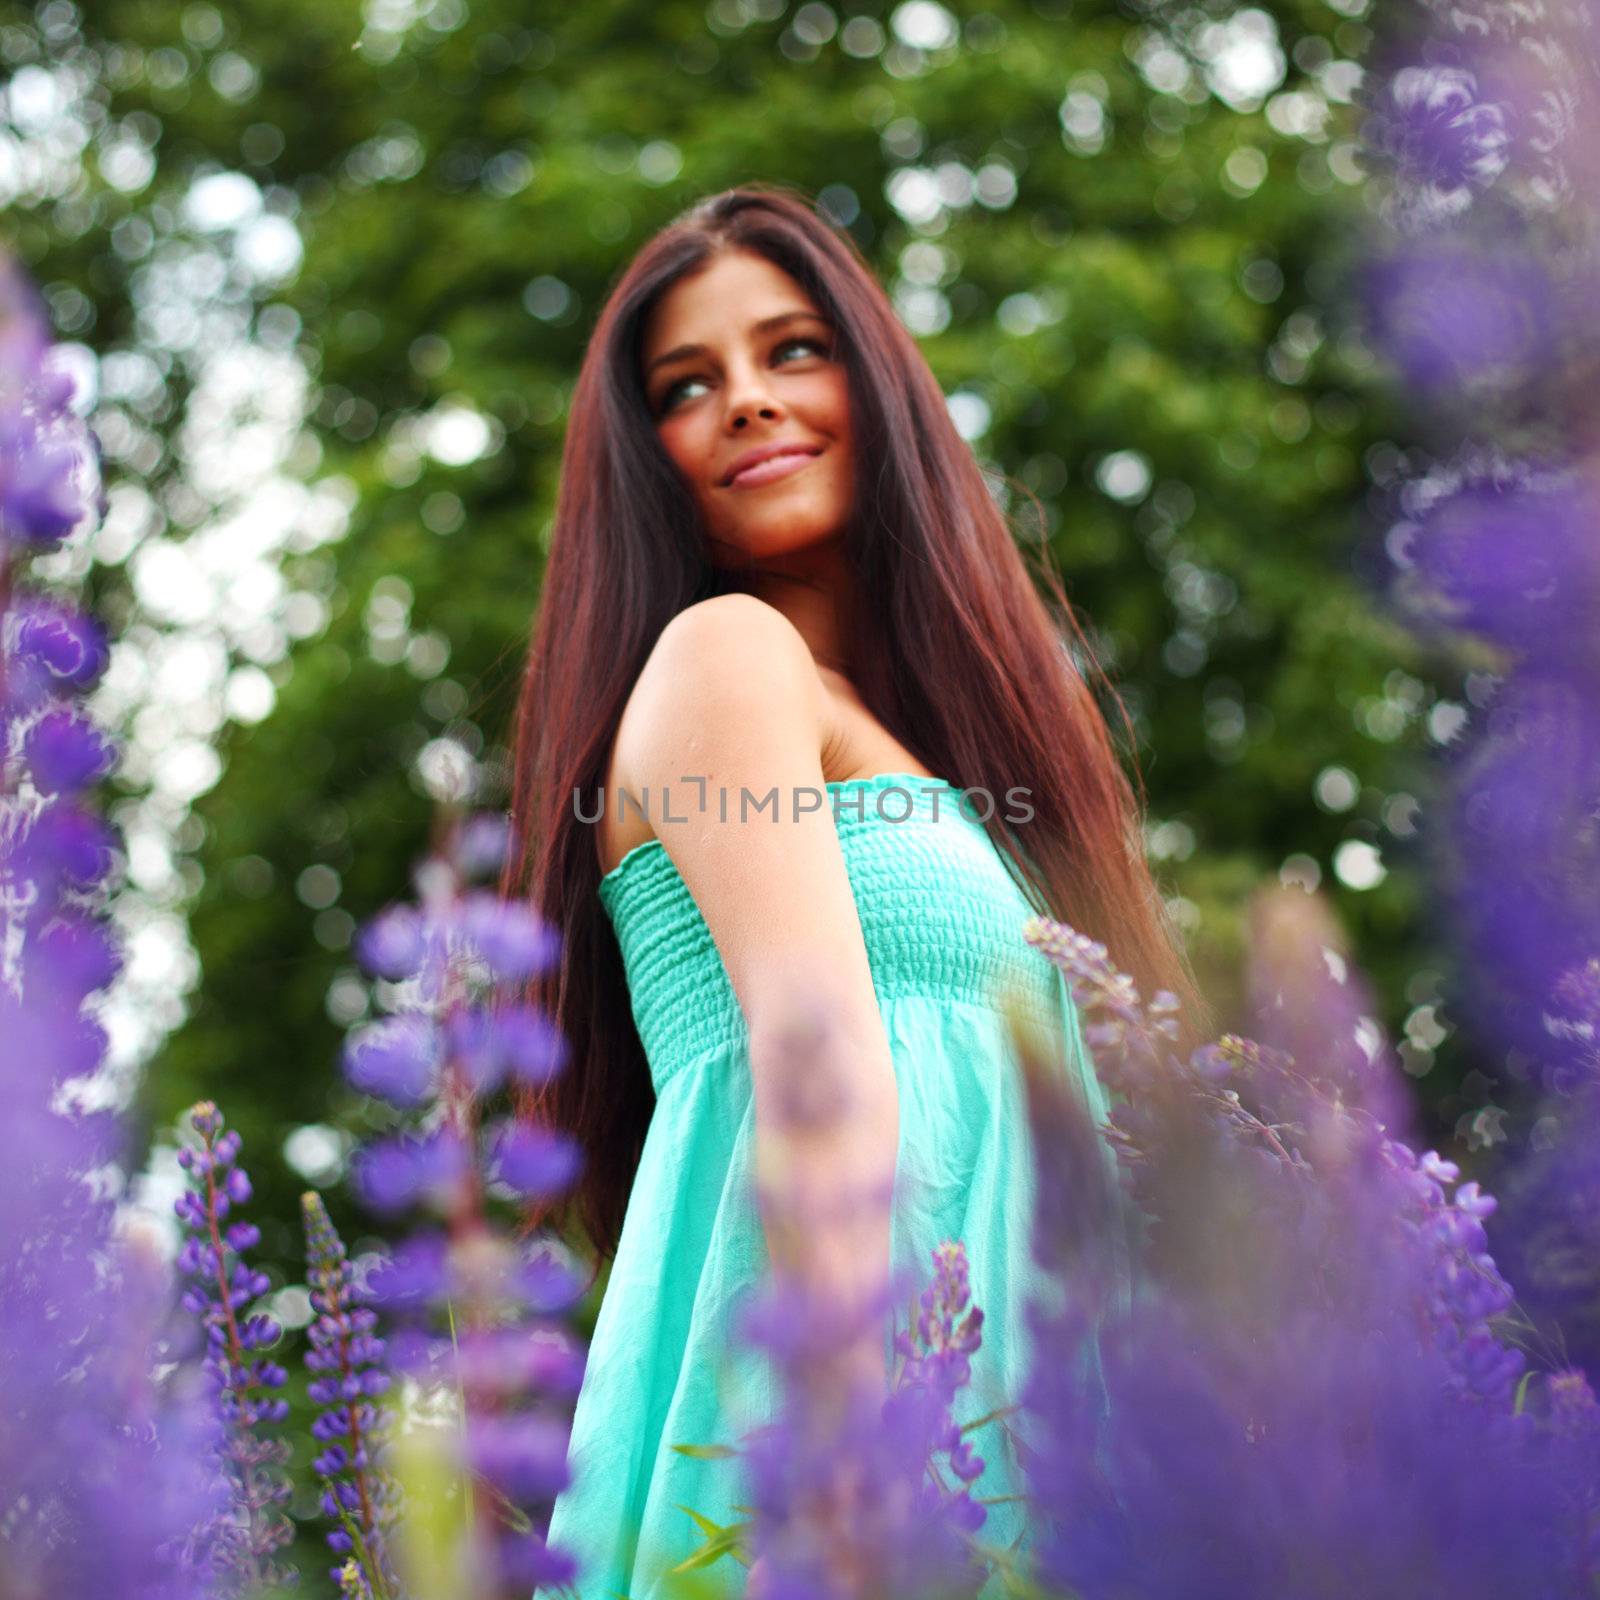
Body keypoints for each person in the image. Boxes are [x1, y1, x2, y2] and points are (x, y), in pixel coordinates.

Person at [501, 184, 1201, 1597]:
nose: (747, 402)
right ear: (654, 461)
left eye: (792, 351)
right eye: (688, 387)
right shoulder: (726, 658)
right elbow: (820, 1081)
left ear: (878, 389)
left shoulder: (952, 774)